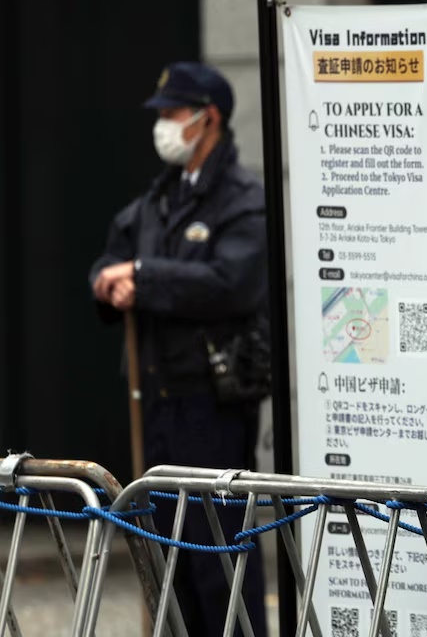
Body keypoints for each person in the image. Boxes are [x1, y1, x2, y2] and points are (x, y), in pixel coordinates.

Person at [90, 62, 268, 636]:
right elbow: (113, 256)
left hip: (212, 408)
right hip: (158, 403)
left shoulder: (240, 199)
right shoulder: (159, 198)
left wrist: (144, 276)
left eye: (172, 115)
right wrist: (108, 282)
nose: (163, 126)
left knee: (218, 560)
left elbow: (230, 283)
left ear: (207, 118)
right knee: (167, 561)